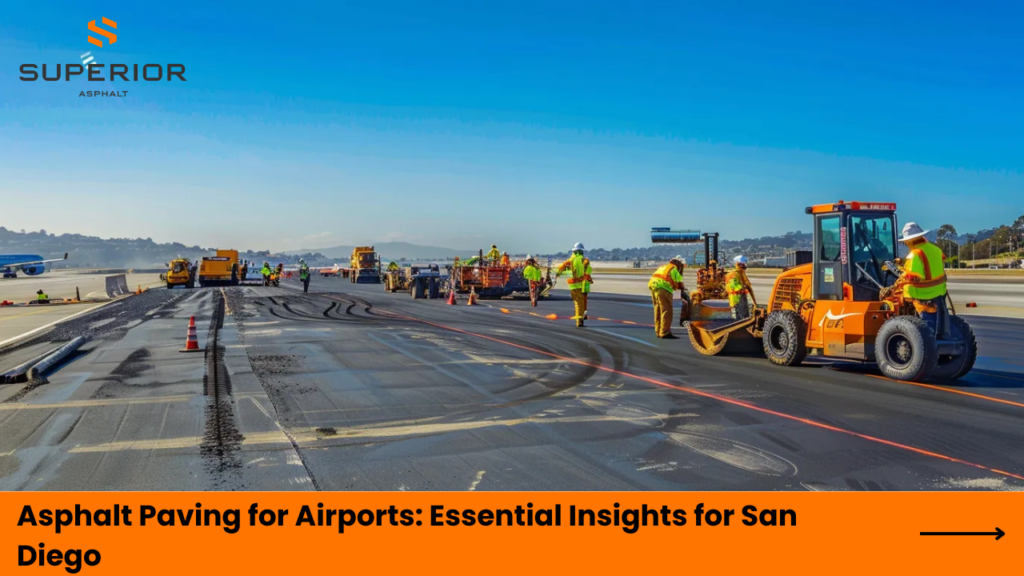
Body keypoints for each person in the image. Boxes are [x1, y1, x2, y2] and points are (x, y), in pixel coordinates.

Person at [898, 222, 948, 334]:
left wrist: (901, 275)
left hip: (923, 295)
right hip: (940, 292)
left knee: (926, 327)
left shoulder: (915, 255)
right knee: (939, 322)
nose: (906, 244)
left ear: (910, 240)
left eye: (906, 241)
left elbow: (911, 276)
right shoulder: (936, 250)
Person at [648, 256, 686, 339]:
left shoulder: (663, 267)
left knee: (658, 309)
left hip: (653, 286)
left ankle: (658, 330)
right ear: (678, 264)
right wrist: (681, 271)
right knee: (667, 310)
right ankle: (665, 332)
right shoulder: (674, 269)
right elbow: (679, 282)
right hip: (663, 288)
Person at [557, 243, 593, 327]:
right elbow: (588, 272)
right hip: (584, 285)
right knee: (583, 302)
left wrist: (557, 274)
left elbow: (560, 268)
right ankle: (581, 318)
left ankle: (579, 320)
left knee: (577, 303)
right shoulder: (585, 261)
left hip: (574, 285)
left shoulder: (570, 261)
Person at [725, 255, 756, 319]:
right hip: (736, 299)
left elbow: (746, 283)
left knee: (744, 314)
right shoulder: (733, 274)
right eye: (743, 264)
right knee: (737, 315)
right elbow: (733, 285)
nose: (745, 265)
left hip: (741, 296)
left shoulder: (741, 273)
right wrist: (742, 287)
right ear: (738, 264)